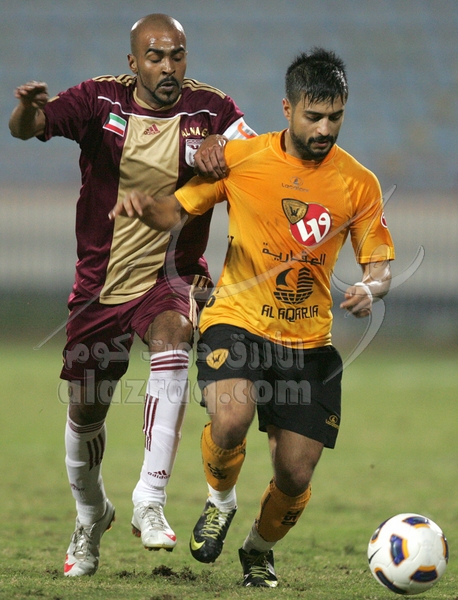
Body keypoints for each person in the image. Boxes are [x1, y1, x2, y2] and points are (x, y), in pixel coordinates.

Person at [111, 47, 395, 588]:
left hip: (308, 343)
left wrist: (369, 287)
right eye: (314, 116)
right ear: (287, 109)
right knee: (231, 418)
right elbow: (179, 207)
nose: (324, 128)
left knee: (295, 474)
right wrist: (146, 206)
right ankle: (220, 501)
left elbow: (378, 265)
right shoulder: (243, 159)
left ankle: (258, 550)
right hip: (236, 319)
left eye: (335, 116)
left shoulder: (359, 183)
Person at [9, 13, 256, 577]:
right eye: (155, 56)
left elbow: (262, 153)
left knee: (175, 337)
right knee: (85, 412)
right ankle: (91, 515)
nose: (168, 67)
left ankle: (150, 496)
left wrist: (226, 147)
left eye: (177, 55)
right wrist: (26, 109)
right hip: (99, 286)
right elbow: (28, 127)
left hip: (171, 276)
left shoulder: (212, 111)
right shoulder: (100, 100)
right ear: (133, 62)